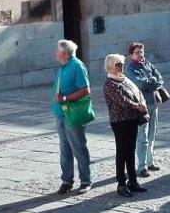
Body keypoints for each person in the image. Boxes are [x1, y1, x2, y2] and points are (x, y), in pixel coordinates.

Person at [103, 54, 149, 197]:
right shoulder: (110, 83)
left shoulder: (124, 79)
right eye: (118, 64)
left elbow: (137, 92)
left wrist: (141, 103)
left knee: (130, 151)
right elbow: (122, 101)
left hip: (132, 119)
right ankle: (121, 184)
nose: (121, 67)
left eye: (122, 64)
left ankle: (133, 181)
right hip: (120, 121)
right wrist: (138, 106)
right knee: (122, 152)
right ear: (110, 66)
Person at [51, 40, 93, 194]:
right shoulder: (63, 66)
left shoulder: (77, 66)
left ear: (63, 53)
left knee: (79, 148)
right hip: (61, 113)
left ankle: (86, 181)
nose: (55, 53)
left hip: (73, 113)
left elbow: (86, 90)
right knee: (65, 149)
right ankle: (67, 180)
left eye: (57, 51)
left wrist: (64, 98)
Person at [125, 42, 164, 178]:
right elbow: (140, 84)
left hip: (153, 104)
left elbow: (160, 79)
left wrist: (152, 81)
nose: (141, 54)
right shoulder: (130, 69)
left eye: (142, 52)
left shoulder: (148, 64)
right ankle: (142, 166)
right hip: (141, 107)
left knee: (152, 135)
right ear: (131, 55)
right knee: (143, 137)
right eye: (137, 52)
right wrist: (153, 81)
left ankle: (150, 161)